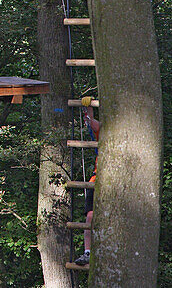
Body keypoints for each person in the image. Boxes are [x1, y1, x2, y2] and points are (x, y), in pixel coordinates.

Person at [75, 96, 100, 266]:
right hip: (96, 180)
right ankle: (87, 251)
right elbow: (92, 123)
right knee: (90, 218)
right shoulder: (102, 130)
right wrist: (88, 107)